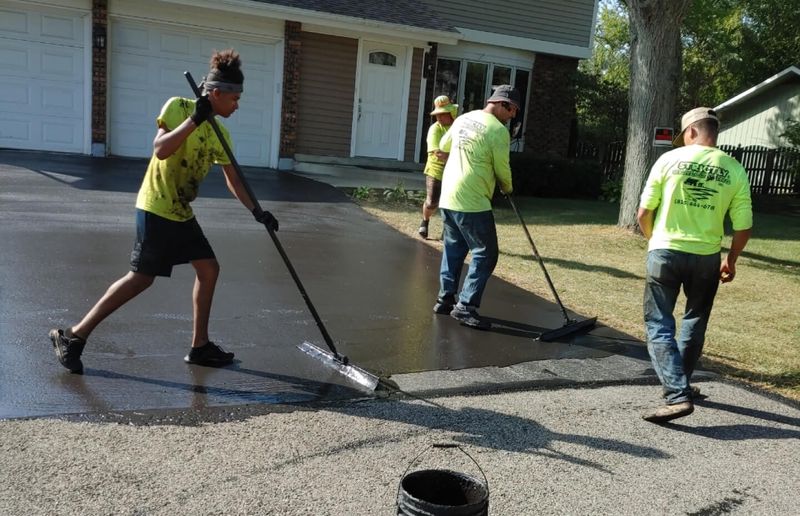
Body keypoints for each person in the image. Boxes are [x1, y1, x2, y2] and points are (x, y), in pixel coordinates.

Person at [49, 49, 279, 373]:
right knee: (141, 279)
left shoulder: (221, 134)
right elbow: (161, 150)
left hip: (180, 211)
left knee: (209, 268)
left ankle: (200, 346)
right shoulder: (177, 107)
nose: (237, 105)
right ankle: (73, 336)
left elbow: (234, 181)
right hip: (156, 205)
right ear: (216, 94)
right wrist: (194, 120)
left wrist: (258, 212)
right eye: (235, 98)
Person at [637, 107, 753, 423]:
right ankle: (682, 385)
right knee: (694, 319)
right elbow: (743, 226)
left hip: (665, 252)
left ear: (690, 132)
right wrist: (730, 259)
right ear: (713, 133)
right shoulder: (733, 168)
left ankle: (676, 394)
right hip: (706, 258)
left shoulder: (668, 160)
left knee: (659, 322)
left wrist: (654, 241)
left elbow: (643, 213)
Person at [432, 85, 518, 330]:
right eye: (513, 110)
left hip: (448, 197)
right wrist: (508, 188)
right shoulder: (498, 131)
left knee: (454, 248)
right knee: (486, 252)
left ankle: (445, 300)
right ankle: (466, 306)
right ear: (502, 104)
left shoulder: (463, 119)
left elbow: (445, 146)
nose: (513, 116)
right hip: (472, 202)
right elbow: (503, 168)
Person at [418, 95, 458, 239]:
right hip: (436, 170)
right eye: (437, 115)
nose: (439, 118)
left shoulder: (457, 127)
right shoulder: (434, 129)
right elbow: (438, 153)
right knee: (432, 202)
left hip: (454, 171)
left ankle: (446, 231)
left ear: (450, 113)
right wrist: (457, 157)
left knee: (450, 203)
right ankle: (425, 220)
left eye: (442, 114)